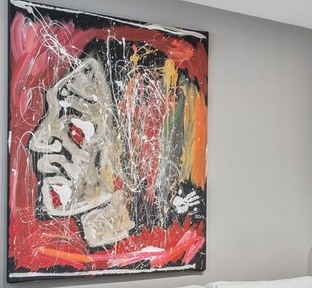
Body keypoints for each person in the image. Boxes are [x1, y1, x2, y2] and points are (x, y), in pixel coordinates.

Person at [27, 37, 203, 250]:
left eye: (75, 126)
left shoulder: (178, 245)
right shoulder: (48, 249)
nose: (38, 142)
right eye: (51, 112)